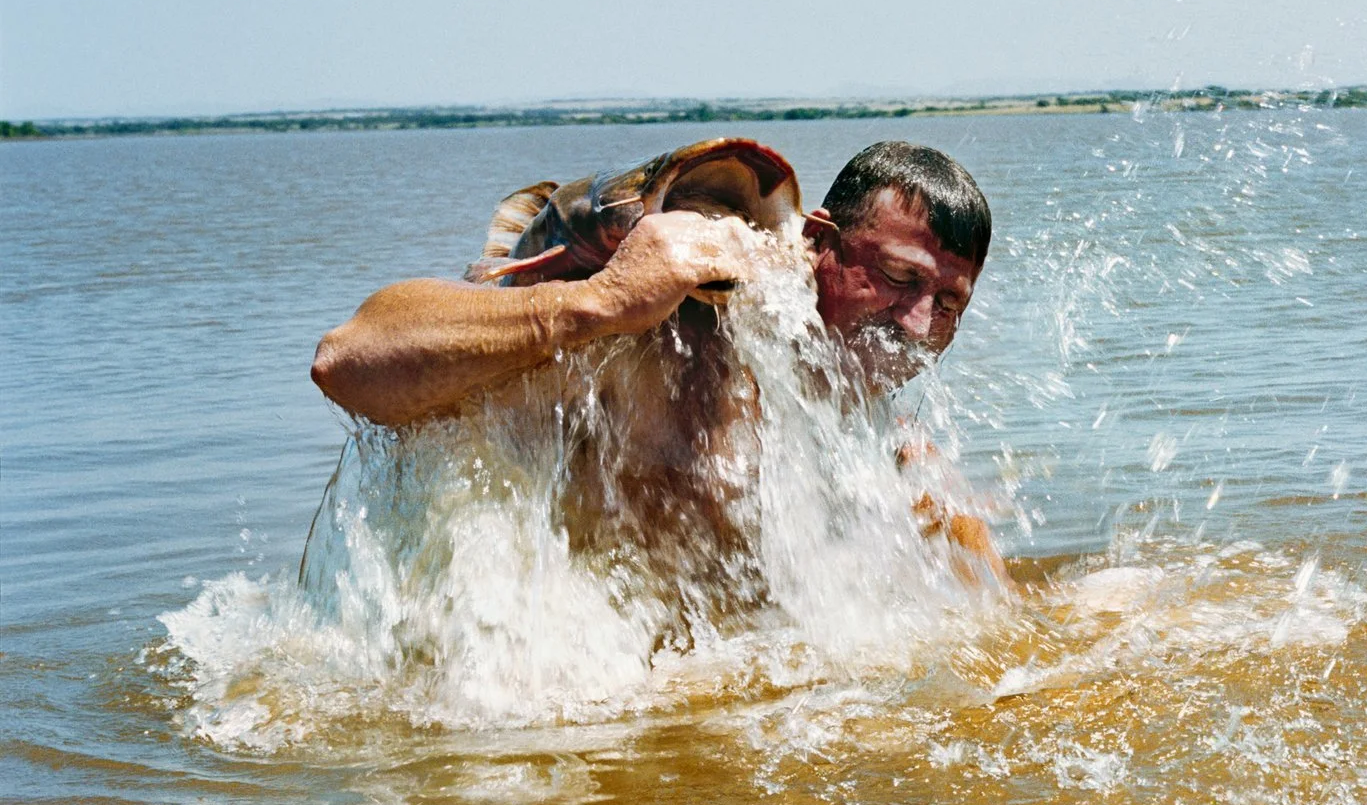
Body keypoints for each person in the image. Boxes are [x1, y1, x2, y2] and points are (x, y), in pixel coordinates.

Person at [310, 138, 1002, 578]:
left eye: (948, 305)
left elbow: (980, 584)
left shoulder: (873, 444)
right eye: (901, 278)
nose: (917, 324)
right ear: (822, 241)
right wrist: (601, 302)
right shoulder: (648, 342)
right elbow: (346, 360)